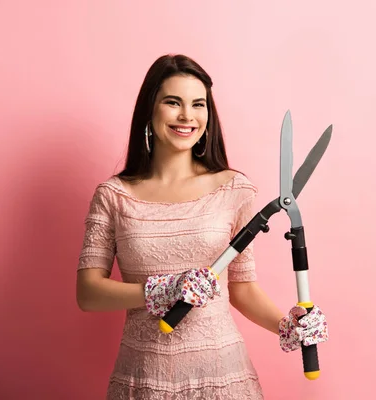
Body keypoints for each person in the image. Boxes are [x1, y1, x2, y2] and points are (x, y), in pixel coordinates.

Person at [76, 54, 329, 399]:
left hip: (224, 379)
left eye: (198, 104)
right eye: (172, 102)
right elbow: (88, 294)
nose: (186, 116)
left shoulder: (234, 190)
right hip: (143, 379)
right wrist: (161, 290)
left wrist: (289, 327)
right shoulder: (114, 196)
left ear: (208, 117)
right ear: (150, 111)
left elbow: (242, 290)